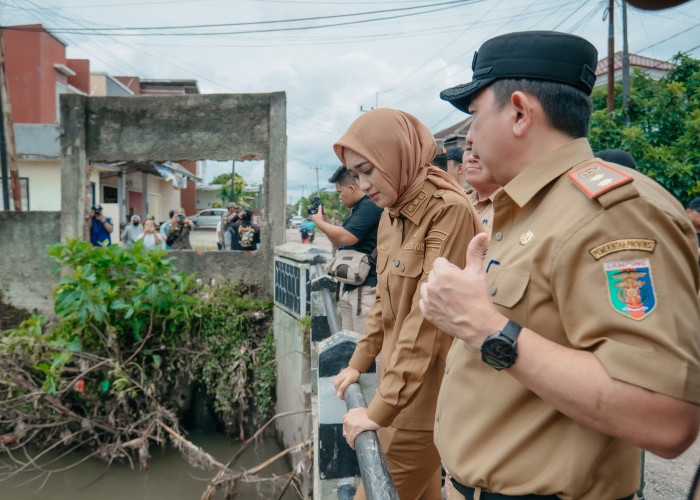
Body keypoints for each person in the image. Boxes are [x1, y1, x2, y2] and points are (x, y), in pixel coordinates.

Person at [418, 30, 700, 500]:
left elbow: (665, 416)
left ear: (520, 112)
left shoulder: (611, 213)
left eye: (474, 114)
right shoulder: (529, 205)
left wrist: (488, 329)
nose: (468, 136)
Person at [332, 108, 481, 500]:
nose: (363, 185)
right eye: (356, 176)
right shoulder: (391, 213)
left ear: (396, 156)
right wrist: (358, 362)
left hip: (422, 400)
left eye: (368, 171)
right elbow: (384, 300)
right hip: (398, 390)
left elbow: (425, 319)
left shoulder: (447, 209)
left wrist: (377, 410)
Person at [310, 165, 383, 334]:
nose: (339, 197)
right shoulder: (356, 210)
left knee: (365, 348)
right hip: (352, 288)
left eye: (339, 192)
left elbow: (348, 236)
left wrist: (317, 221)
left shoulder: (369, 206)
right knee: (349, 346)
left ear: (351, 188)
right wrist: (326, 220)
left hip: (366, 289)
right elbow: (340, 244)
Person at [463, 145, 500, 237]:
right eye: (468, 149)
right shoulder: (458, 202)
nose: (472, 158)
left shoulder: (517, 207)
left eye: (482, 149)